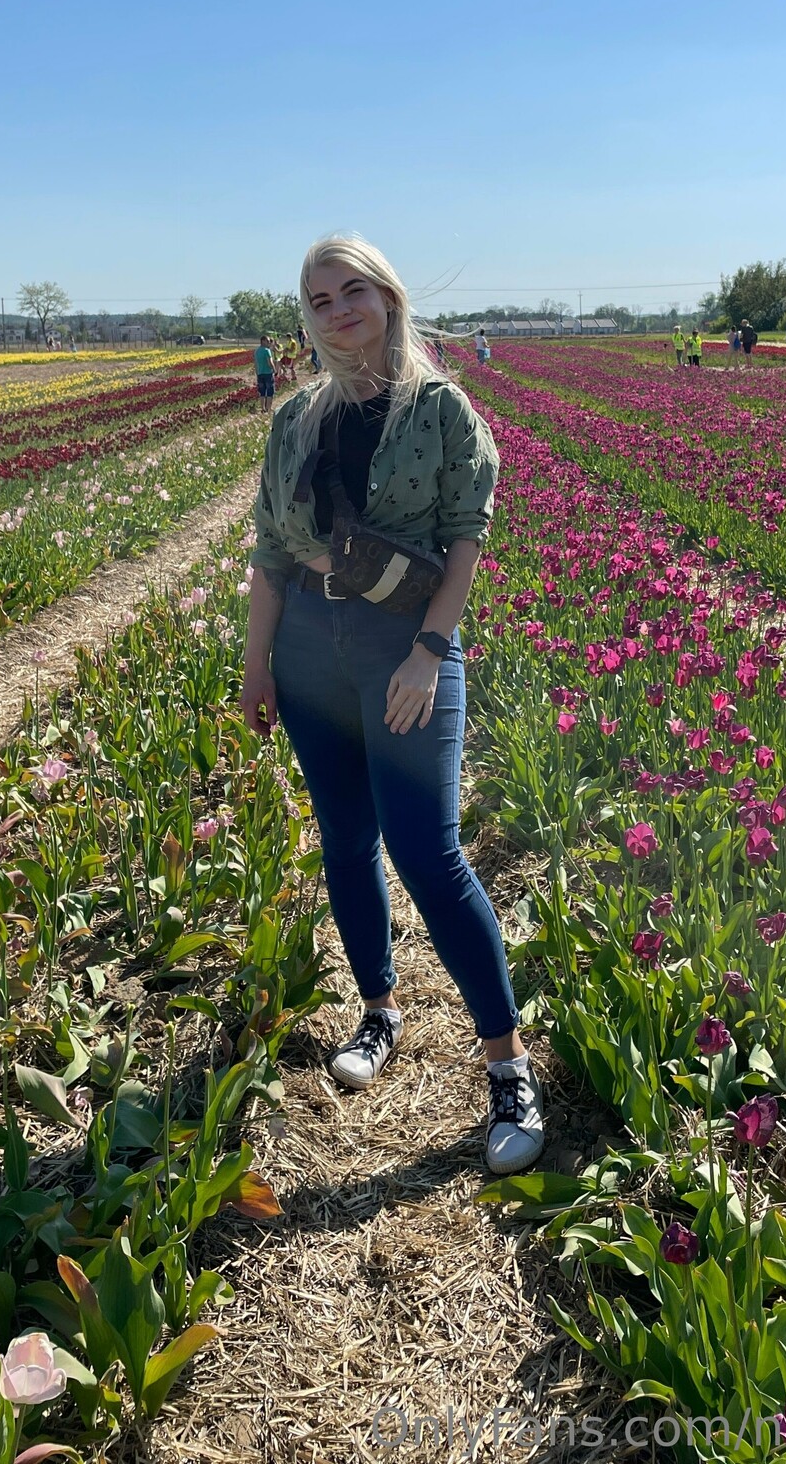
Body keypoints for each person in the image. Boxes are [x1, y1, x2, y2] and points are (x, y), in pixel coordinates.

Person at [242, 235, 544, 1175]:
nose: (338, 313)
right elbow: (271, 552)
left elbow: (466, 538)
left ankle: (508, 1068)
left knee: (429, 853)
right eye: (319, 300)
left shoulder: (441, 409)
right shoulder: (296, 419)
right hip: (307, 653)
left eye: (353, 292)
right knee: (345, 840)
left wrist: (429, 653)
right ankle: (378, 1011)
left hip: (403, 648)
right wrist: (257, 665)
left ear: (387, 297)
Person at [253, 333, 276, 412]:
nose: (269, 342)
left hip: (260, 373)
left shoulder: (257, 351)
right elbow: (270, 363)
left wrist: (257, 373)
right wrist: (274, 369)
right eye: (268, 341)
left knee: (262, 391)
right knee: (270, 391)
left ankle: (262, 408)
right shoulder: (267, 351)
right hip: (268, 373)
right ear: (263, 341)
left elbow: (256, 363)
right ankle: (268, 408)